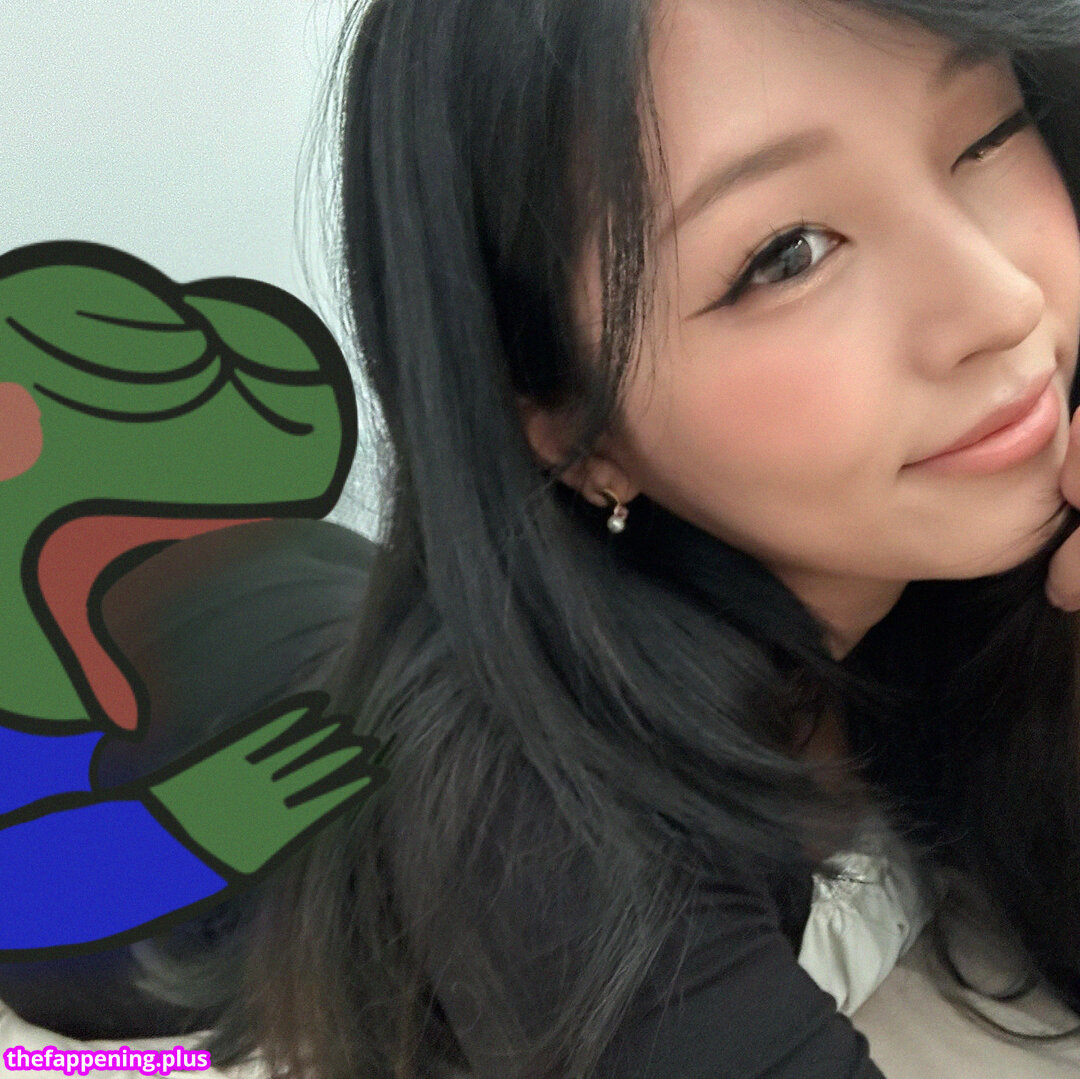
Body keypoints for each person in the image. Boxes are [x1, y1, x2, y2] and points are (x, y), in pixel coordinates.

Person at [115, 0, 1080, 1075]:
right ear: (569, 425)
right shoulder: (530, 816)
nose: (1001, 302)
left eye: (988, 135)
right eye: (787, 253)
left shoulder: (949, 549)